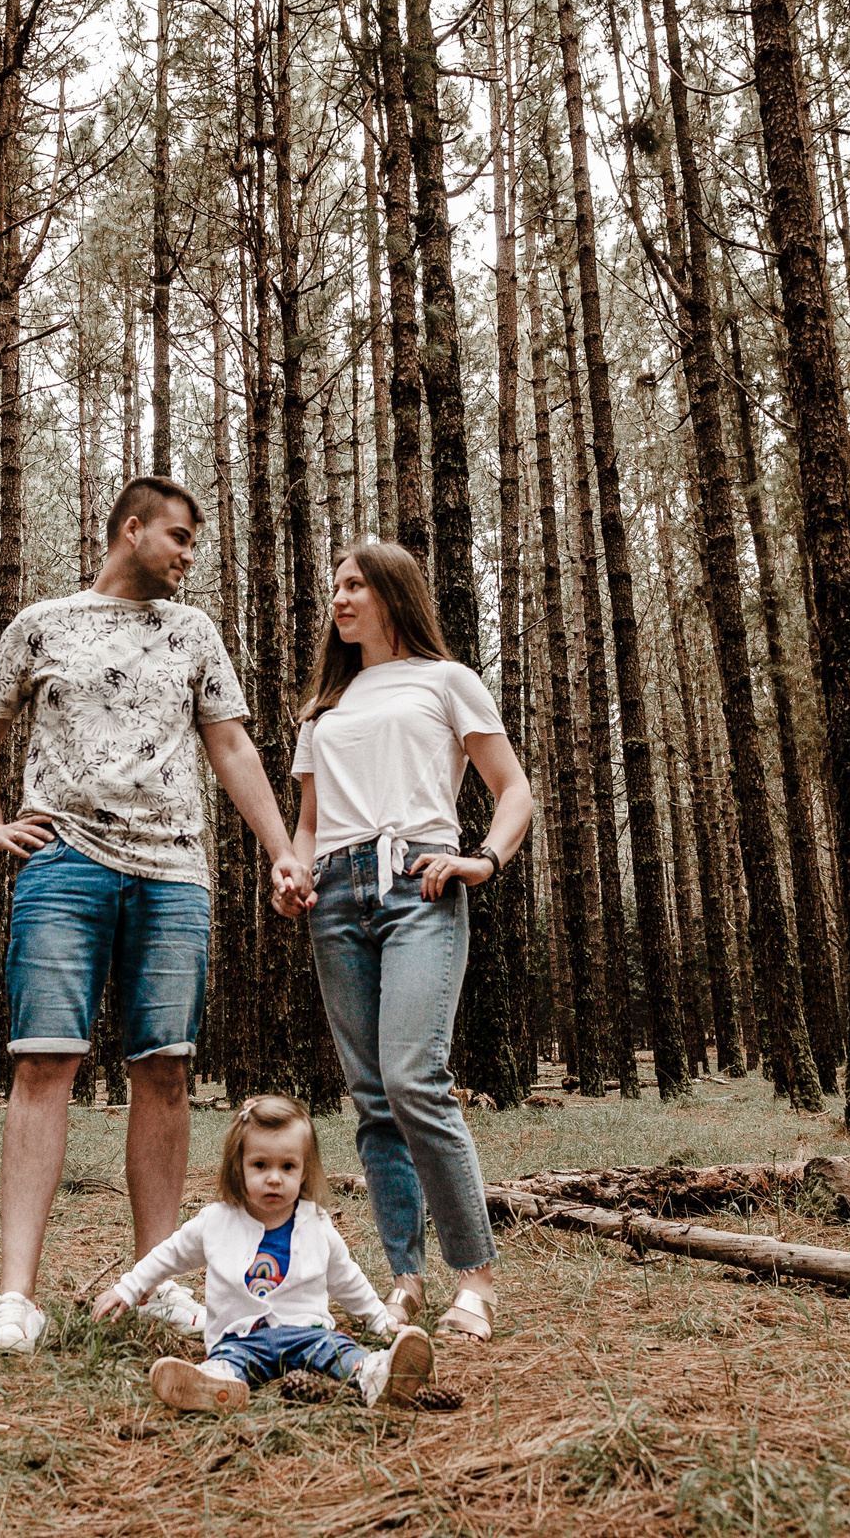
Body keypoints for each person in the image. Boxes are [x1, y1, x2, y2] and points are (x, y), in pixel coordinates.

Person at [0, 476, 308, 1354]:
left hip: (173, 875)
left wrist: (281, 848)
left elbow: (230, 744)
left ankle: (154, 1284)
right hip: (62, 866)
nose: (190, 554)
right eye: (180, 536)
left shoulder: (194, 632)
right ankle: (16, 1299)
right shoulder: (42, 624)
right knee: (44, 1062)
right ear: (132, 528)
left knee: (165, 1070)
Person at [275, 542, 534, 1343]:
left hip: (419, 883)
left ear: (393, 593)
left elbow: (514, 790)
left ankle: (476, 1280)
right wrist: (293, 872)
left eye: (355, 584)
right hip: (334, 896)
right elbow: (309, 822)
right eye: (335, 587)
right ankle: (406, 1282)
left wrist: (483, 859)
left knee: (414, 1077)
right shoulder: (324, 708)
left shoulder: (446, 680)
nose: (339, 599)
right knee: (373, 1098)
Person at [96, 1095, 438, 1411]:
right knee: (226, 1361)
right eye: (260, 1165)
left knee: (339, 1350)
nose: (274, 1178)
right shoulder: (216, 1222)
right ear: (239, 1167)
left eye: (287, 1167)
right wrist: (128, 1288)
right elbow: (167, 1255)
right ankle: (214, 1386)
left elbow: (347, 1280)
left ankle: (376, 1374)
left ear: (304, 1171)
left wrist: (380, 1320)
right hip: (241, 1338)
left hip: (307, 1334)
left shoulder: (316, 1224)